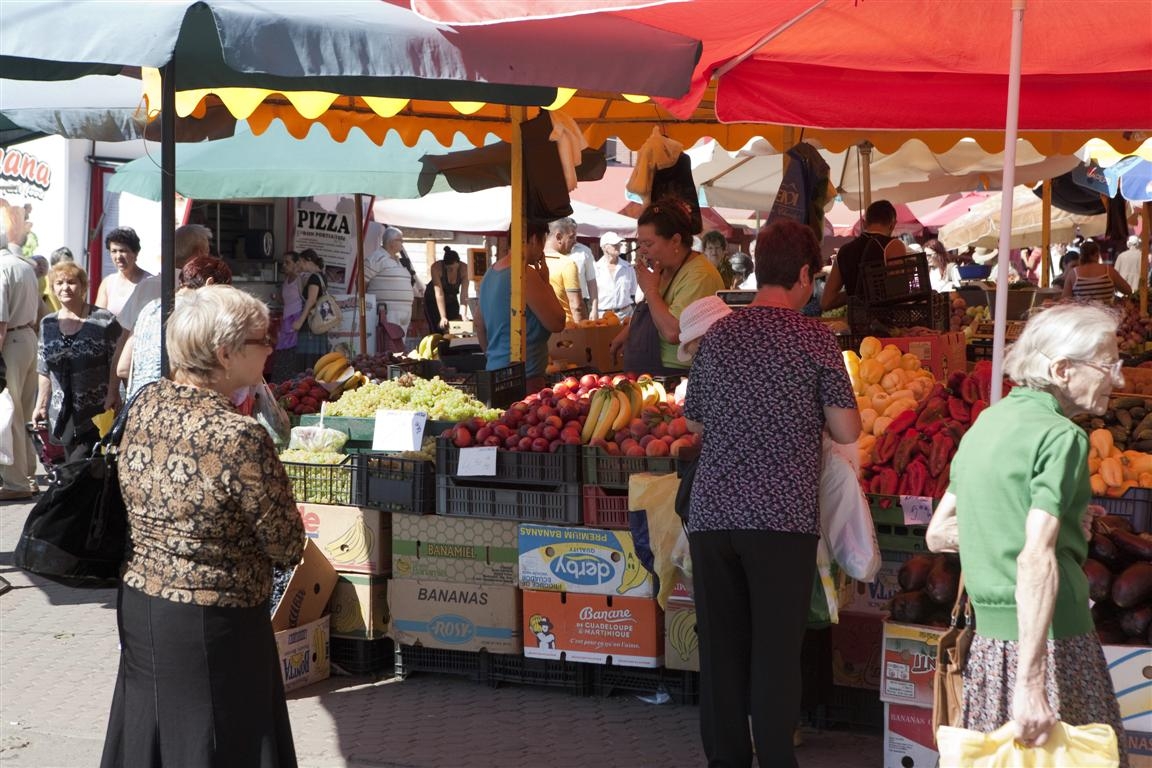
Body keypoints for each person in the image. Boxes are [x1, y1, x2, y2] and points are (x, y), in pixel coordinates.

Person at [100, 284, 303, 768]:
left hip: (143, 603)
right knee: (218, 739)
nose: (271, 347)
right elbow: (286, 543)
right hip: (216, 620)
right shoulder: (240, 435)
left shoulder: (145, 403)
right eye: (262, 339)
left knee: (149, 731)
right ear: (225, 353)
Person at [683, 219, 861, 767]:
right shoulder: (814, 339)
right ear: (805, 274)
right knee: (774, 655)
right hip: (780, 518)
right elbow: (847, 429)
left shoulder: (717, 337)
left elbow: (696, 424)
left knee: (722, 654)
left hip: (712, 516)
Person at [926, 303, 1129, 768]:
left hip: (990, 649)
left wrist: (1007, 525)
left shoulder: (986, 425)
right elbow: (1035, 558)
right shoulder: (1062, 438)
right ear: (1061, 369)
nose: (1116, 379)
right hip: (1055, 644)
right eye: (1107, 365)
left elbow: (939, 533)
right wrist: (1031, 684)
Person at [609, 198, 725, 375]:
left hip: (676, 376)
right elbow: (655, 312)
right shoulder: (664, 268)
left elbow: (673, 332)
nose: (642, 251)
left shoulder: (700, 275)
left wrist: (650, 290)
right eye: (641, 244)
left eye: (649, 244)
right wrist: (627, 333)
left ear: (675, 241)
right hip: (647, 372)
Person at [35, 262, 121, 463]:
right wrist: (41, 404)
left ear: (83, 286)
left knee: (86, 466)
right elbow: (44, 368)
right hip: (62, 412)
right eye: (59, 283)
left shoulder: (104, 320)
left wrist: (114, 394)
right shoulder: (47, 323)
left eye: (71, 282)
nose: (65, 287)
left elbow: (117, 362)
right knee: (71, 466)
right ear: (53, 287)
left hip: (97, 411)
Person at [111, 223, 212, 387]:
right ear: (201, 252)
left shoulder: (146, 286)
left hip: (143, 389)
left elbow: (123, 341)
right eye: (208, 250)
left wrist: (113, 389)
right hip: (186, 385)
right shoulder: (201, 290)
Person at [119, 255, 233, 399]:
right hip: (176, 409)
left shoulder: (149, 310)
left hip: (140, 409)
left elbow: (122, 368)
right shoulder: (197, 314)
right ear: (210, 283)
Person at [474, 221, 566, 393]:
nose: (542, 250)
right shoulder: (524, 274)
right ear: (533, 239)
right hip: (525, 379)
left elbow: (479, 324)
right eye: (543, 242)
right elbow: (557, 322)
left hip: (495, 373)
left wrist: (494, 356)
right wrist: (546, 283)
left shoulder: (490, 273)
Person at [0, 231, 42, 499]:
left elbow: (0, 322)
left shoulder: (2, 268)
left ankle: (17, 483)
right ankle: (26, 476)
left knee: (9, 413)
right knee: (22, 413)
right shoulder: (23, 265)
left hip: (10, 342)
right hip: (27, 337)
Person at [820, 200, 907, 311]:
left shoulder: (844, 251)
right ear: (892, 224)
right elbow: (898, 291)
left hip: (854, 322)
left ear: (864, 223)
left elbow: (826, 302)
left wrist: (855, 293)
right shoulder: (893, 246)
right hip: (885, 321)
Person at [364, 225, 421, 336]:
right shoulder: (376, 258)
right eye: (400, 240)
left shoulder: (398, 260)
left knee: (398, 346)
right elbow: (361, 281)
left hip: (403, 312)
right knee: (388, 344)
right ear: (391, 242)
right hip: (388, 312)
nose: (402, 243)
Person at [545, 218, 597, 322]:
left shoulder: (534, 261)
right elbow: (576, 305)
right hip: (567, 328)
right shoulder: (567, 264)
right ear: (559, 237)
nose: (575, 242)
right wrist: (582, 332)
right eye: (571, 237)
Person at [95, 227, 153, 319]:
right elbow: (98, 319)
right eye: (114, 251)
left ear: (135, 253)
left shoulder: (149, 282)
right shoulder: (108, 283)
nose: (118, 256)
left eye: (123, 251)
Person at [292, 248, 331, 372]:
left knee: (308, 360)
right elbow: (304, 296)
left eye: (301, 262)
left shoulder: (314, 278)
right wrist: (298, 274)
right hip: (317, 321)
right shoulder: (320, 276)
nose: (300, 265)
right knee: (315, 358)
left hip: (310, 322)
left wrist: (300, 321)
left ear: (308, 260)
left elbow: (311, 300)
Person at [1061, 240, 1131, 303]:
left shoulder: (1073, 273)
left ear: (1081, 255)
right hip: (1107, 315)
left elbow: (1065, 300)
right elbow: (1128, 290)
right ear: (1097, 254)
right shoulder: (1109, 271)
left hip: (1082, 316)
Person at [271, 251, 302, 383]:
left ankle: (289, 382)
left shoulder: (299, 280)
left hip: (295, 320)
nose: (284, 265)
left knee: (290, 353)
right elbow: (286, 301)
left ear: (296, 264)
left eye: (288, 262)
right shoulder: (286, 281)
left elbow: (305, 300)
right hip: (286, 320)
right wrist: (276, 298)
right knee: (282, 352)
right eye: (284, 262)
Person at [424, 245, 469, 333]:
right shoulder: (436, 268)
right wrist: (443, 317)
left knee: (455, 325)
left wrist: (463, 314)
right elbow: (439, 293)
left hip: (451, 297)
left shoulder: (465, 269)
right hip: (433, 299)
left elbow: (464, 294)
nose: (450, 271)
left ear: (458, 263)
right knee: (439, 327)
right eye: (448, 269)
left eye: (452, 268)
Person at [594, 232, 637, 319]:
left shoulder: (628, 267)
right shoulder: (595, 268)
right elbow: (591, 297)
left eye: (619, 244)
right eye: (614, 244)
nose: (618, 246)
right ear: (605, 247)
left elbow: (633, 292)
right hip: (603, 316)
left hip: (625, 315)